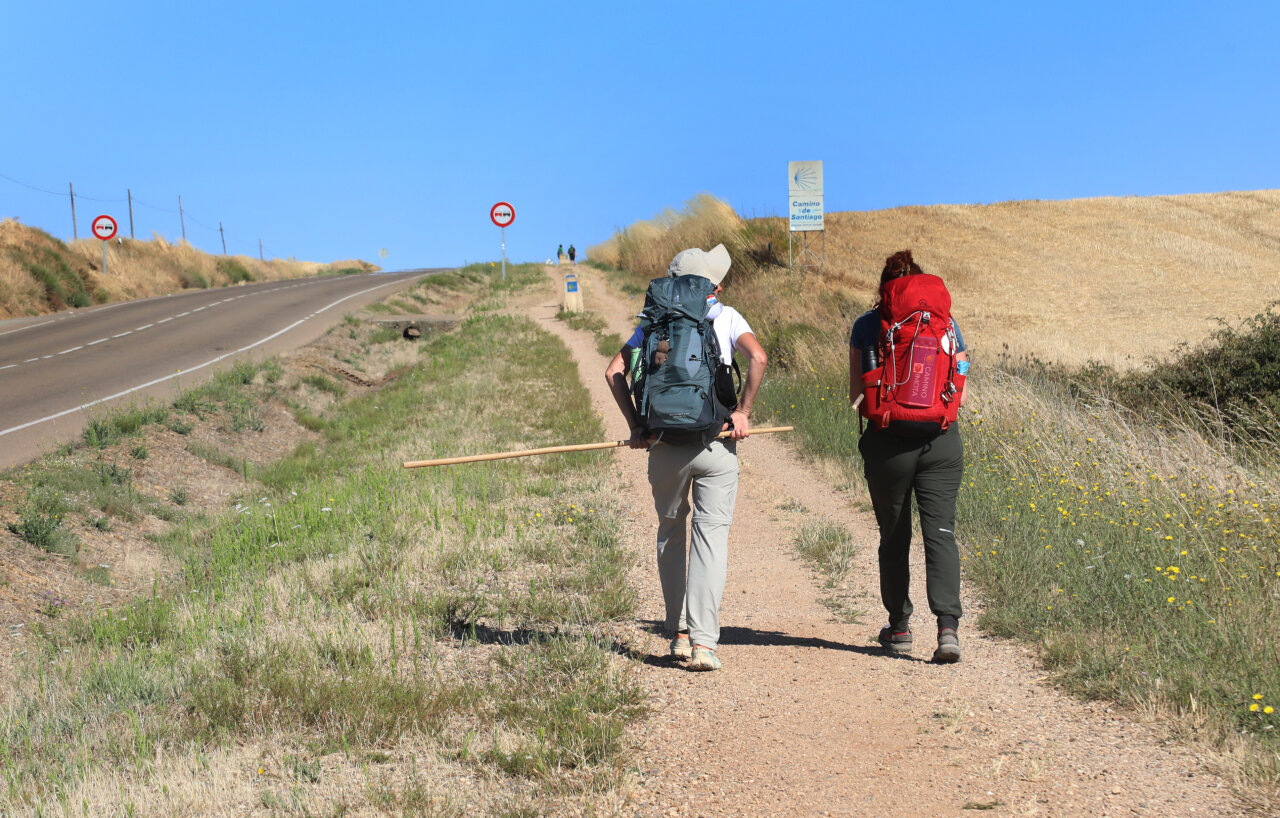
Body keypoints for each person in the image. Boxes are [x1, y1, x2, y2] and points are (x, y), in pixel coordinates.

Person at [605, 244, 767, 671]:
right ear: (710, 283)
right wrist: (743, 413)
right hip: (715, 444)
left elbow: (613, 372)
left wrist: (636, 426)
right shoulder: (726, 316)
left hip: (663, 447)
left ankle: (676, 633)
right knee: (710, 539)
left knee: (671, 533)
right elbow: (759, 358)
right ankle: (704, 644)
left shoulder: (654, 321)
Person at [849, 250, 968, 664]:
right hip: (941, 442)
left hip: (888, 445)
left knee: (895, 538)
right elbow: (961, 392)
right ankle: (948, 629)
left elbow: (858, 395)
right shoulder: (945, 324)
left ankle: (899, 627)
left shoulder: (868, 325)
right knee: (941, 535)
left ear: (885, 287)